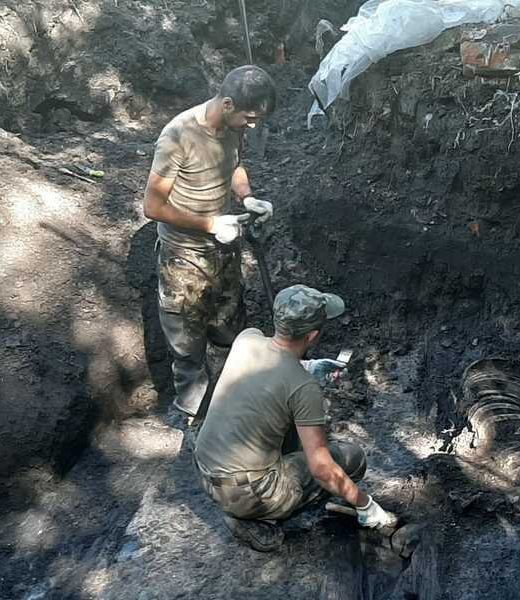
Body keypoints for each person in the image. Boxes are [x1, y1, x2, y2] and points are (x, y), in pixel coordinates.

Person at [193, 284, 394, 551]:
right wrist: (366, 505)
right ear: (311, 336)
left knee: (288, 426)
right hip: (247, 494)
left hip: (206, 475)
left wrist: (308, 367)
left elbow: (269, 371)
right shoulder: (302, 388)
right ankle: (253, 518)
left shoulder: (247, 339)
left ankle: (250, 505)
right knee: (352, 459)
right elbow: (322, 470)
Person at [143, 65, 277, 417]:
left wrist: (247, 198)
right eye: (249, 118)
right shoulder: (178, 136)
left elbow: (233, 165)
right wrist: (209, 223)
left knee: (231, 328)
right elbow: (152, 206)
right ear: (228, 104)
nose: (252, 125)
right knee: (188, 345)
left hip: (223, 247)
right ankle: (194, 418)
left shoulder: (233, 127)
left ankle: (237, 402)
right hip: (183, 257)